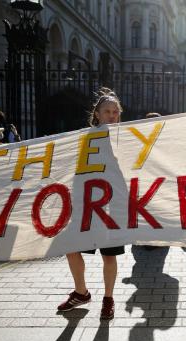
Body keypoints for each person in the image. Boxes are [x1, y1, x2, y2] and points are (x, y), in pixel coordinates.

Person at [57, 89, 124, 320]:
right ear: (97, 113)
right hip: (85, 203)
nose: (112, 115)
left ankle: (108, 299)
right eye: (107, 111)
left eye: (116, 112)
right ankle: (81, 292)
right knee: (70, 246)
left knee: (109, 255)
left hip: (111, 205)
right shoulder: (84, 137)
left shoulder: (126, 137)